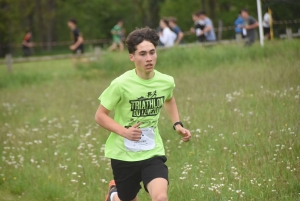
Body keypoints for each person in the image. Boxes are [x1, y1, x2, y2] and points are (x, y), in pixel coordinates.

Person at [95, 27, 191, 201]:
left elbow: (169, 99)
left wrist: (177, 124)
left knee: (161, 197)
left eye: (152, 52)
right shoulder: (120, 84)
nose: (149, 58)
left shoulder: (165, 81)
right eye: (142, 54)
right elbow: (100, 115)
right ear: (132, 57)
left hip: (152, 151)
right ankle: (114, 195)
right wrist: (124, 132)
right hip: (123, 154)